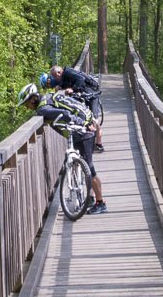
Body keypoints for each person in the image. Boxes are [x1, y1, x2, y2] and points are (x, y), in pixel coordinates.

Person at [17, 82, 107, 214]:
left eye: (26, 103)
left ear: (33, 98)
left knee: (89, 168)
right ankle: (91, 198)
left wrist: (82, 123)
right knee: (84, 165)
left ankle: (101, 203)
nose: (27, 107)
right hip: (80, 130)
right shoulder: (49, 97)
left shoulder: (42, 109)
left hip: (83, 131)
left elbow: (65, 113)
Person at [39, 65, 104, 151]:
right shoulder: (63, 78)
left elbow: (81, 79)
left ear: (59, 73)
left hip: (91, 94)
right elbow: (65, 84)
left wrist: (73, 89)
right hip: (85, 95)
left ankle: (99, 144)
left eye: (55, 76)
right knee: (87, 117)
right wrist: (60, 87)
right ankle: (91, 142)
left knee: (94, 119)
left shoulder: (68, 72)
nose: (55, 78)